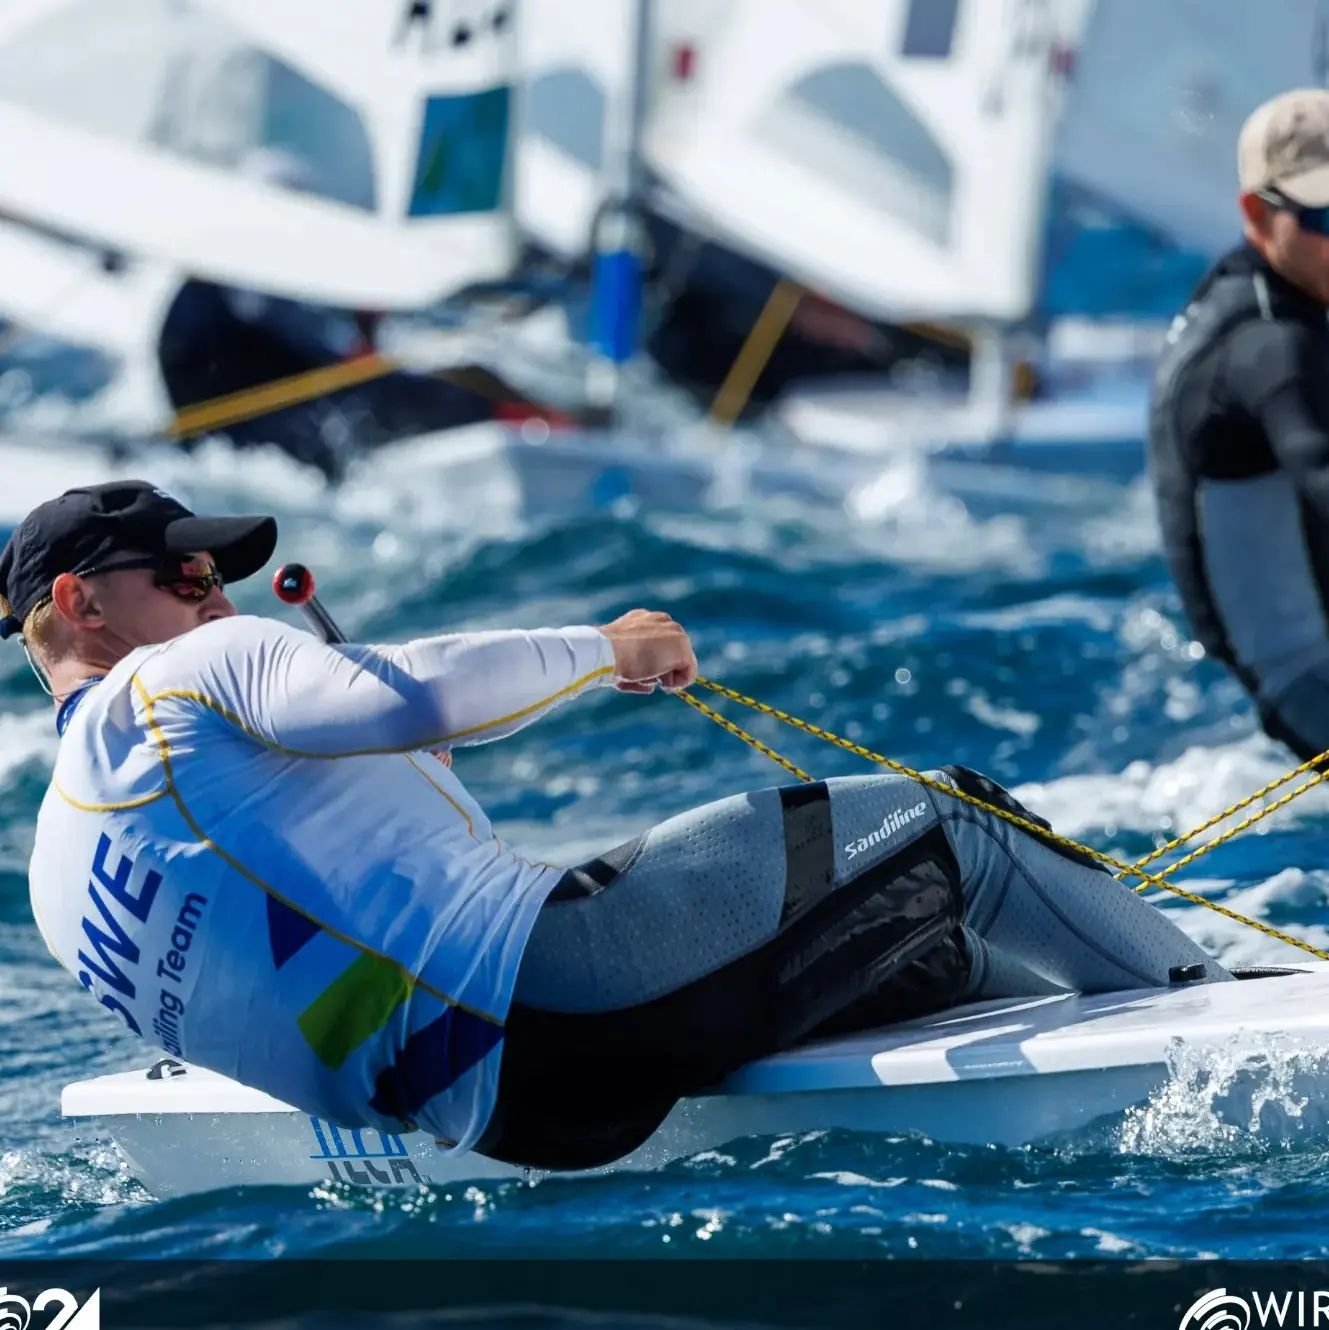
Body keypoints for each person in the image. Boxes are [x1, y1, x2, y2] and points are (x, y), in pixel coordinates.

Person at [2, 482, 1226, 1169]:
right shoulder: (181, 678)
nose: (214, 593)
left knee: (913, 942)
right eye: (186, 577)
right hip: (575, 988)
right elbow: (415, 696)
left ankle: (1057, 1006)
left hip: (514, 1119)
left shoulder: (61, 874)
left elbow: (288, 958)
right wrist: (610, 649)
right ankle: (1221, 1020)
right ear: (78, 602)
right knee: (953, 823)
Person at [1150, 87, 1329, 764]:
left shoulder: (1242, 290)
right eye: (1326, 216)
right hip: (1306, 686)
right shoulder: (1267, 346)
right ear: (1256, 212)